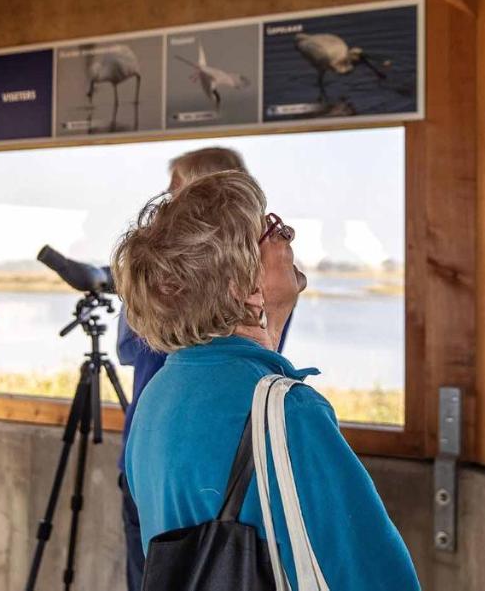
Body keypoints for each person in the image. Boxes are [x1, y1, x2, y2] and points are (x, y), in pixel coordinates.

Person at [114, 171, 419, 590]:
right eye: (273, 230)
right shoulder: (287, 411)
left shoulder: (157, 398)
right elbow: (377, 576)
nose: (288, 239)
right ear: (246, 287)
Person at [115, 147, 294, 591]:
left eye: (176, 192)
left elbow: (129, 347)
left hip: (166, 456)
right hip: (218, 466)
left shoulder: (173, 297)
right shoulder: (211, 298)